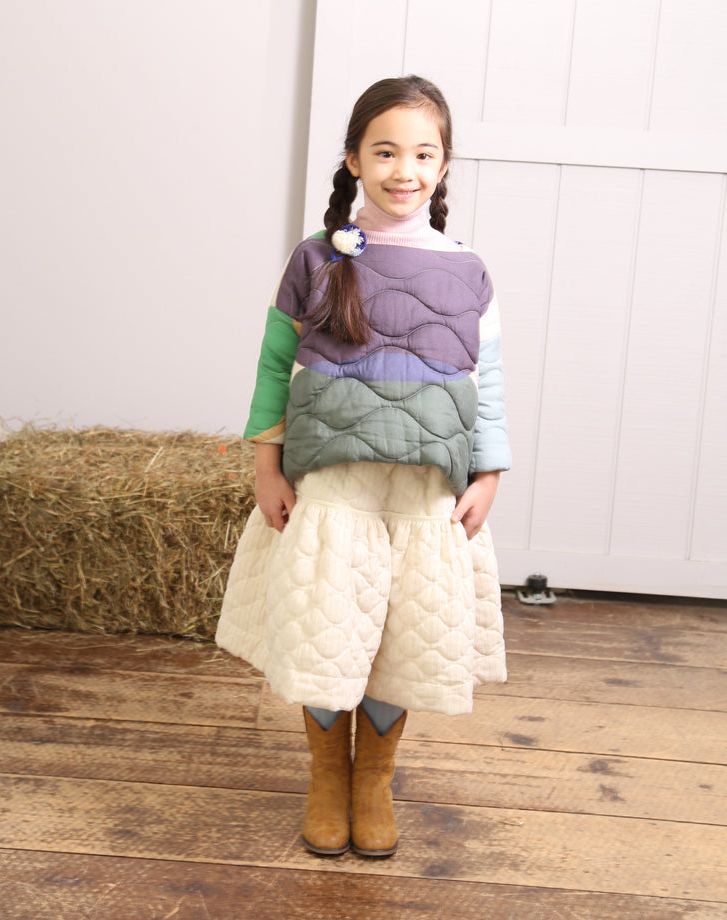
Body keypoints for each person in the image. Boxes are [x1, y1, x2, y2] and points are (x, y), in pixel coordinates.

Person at [216, 74, 510, 858]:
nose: (403, 170)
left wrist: (487, 473)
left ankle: (373, 777)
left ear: (443, 165)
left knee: (403, 638)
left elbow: (488, 381)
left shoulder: (469, 271)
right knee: (328, 631)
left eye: (423, 154)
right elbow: (274, 368)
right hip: (333, 489)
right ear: (353, 159)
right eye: (384, 152)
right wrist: (267, 466)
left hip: (423, 497)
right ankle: (327, 777)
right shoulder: (316, 259)